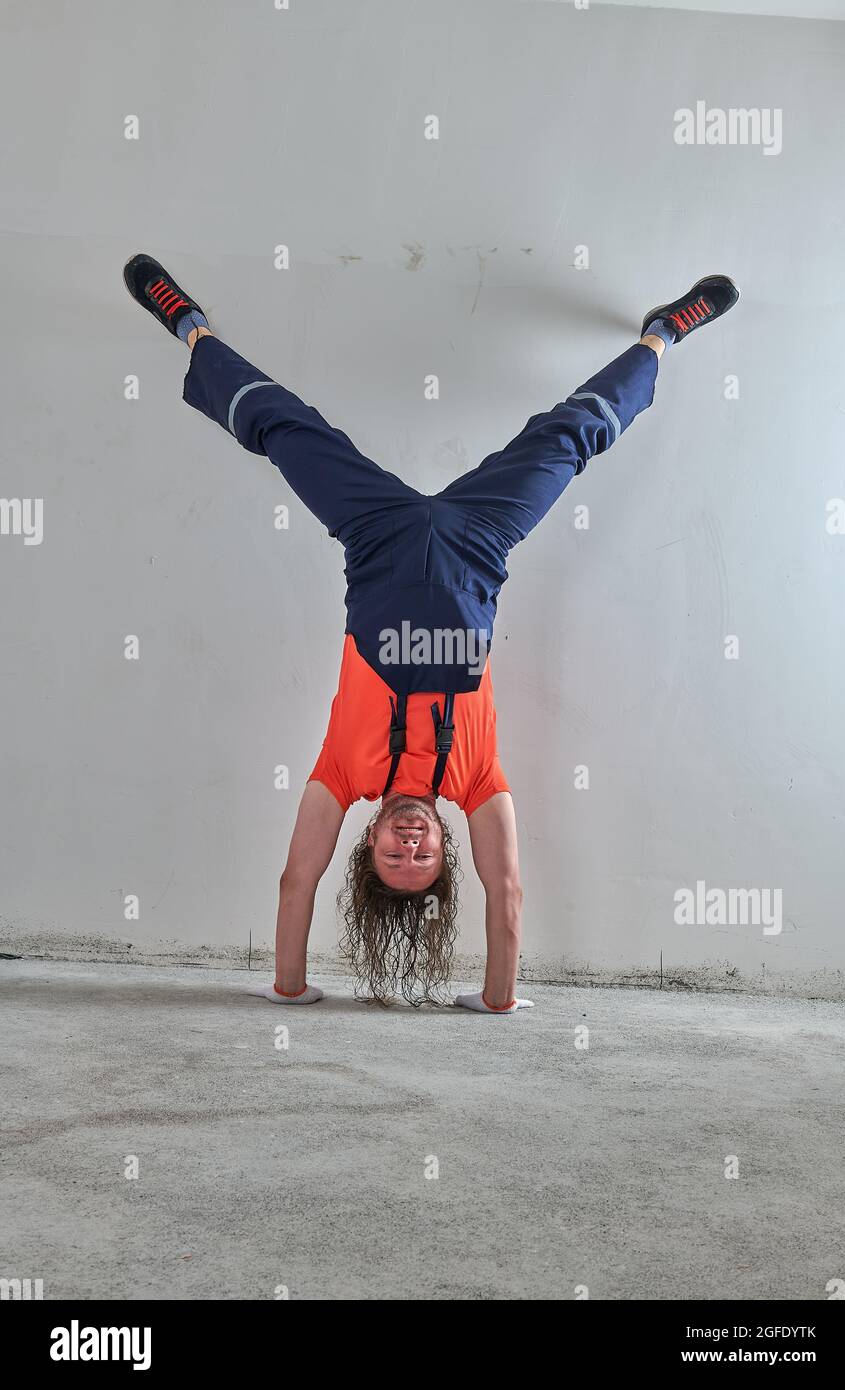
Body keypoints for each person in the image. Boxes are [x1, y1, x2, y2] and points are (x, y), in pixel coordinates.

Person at [124, 253, 739, 1012]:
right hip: (479, 540)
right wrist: (497, 1000)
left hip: (376, 535)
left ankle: (188, 327)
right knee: (570, 437)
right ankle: (662, 337)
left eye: (392, 855)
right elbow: (507, 890)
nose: (409, 844)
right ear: (447, 848)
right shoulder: (477, 783)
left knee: (283, 428)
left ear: (369, 846)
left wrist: (289, 988)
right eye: (422, 856)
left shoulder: (340, 776)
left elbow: (294, 882)